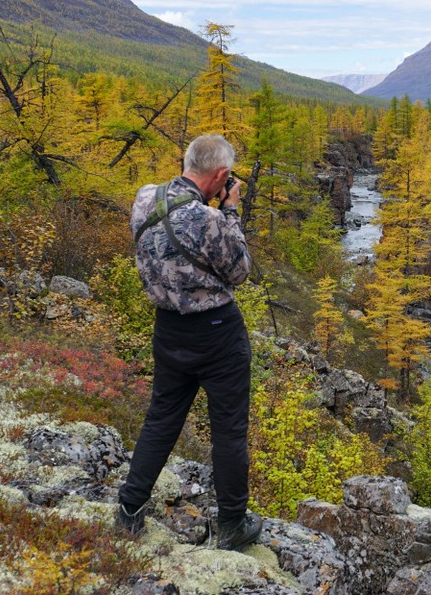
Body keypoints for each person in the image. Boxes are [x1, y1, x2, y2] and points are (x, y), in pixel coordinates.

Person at [115, 133, 262, 551]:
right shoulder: (211, 220)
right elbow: (238, 271)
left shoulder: (145, 197)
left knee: (161, 417)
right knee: (229, 430)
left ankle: (129, 510)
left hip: (168, 329)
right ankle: (232, 524)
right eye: (226, 178)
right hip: (218, 333)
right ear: (220, 175)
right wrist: (230, 210)